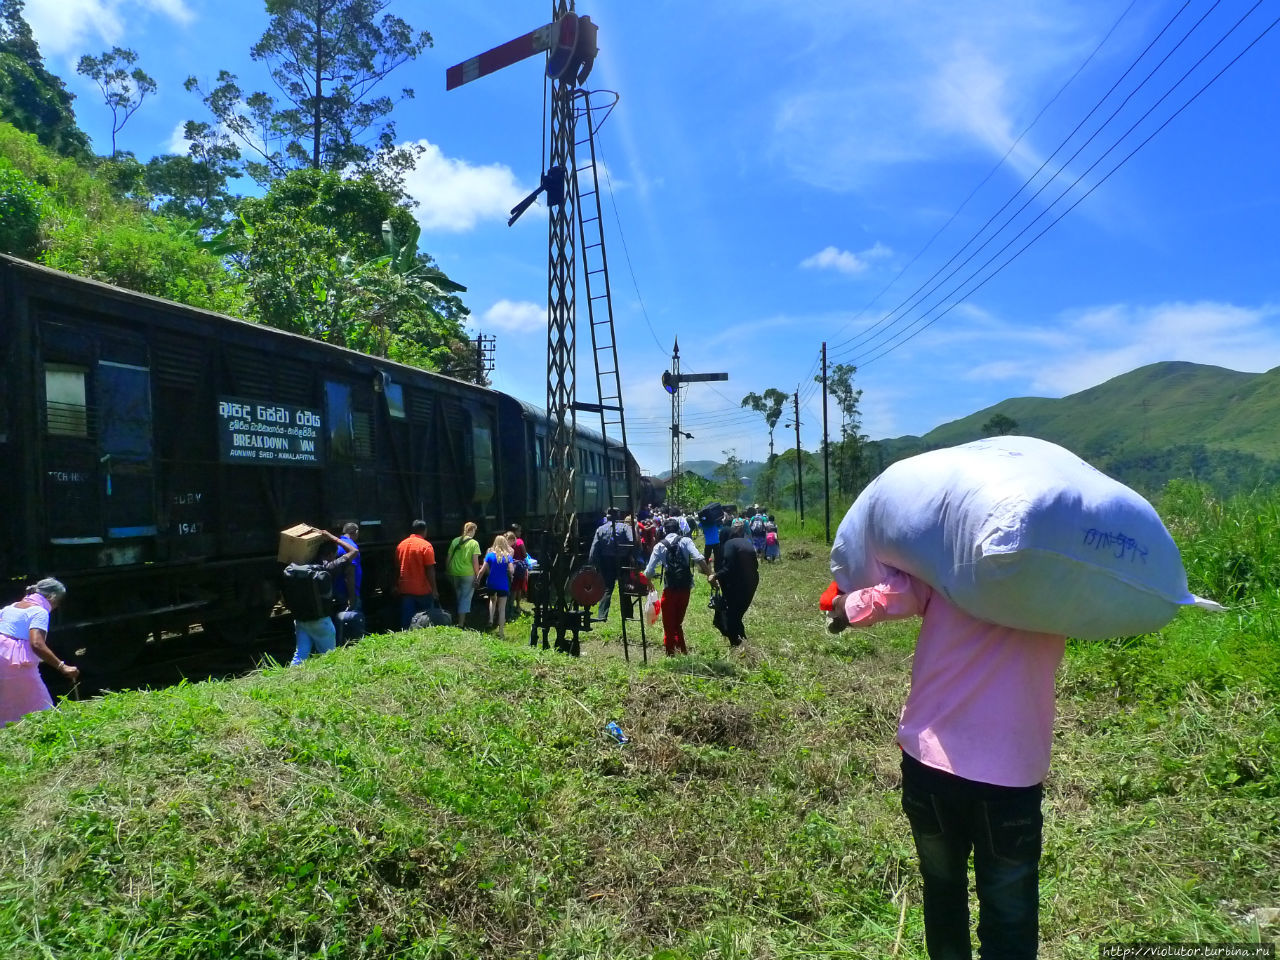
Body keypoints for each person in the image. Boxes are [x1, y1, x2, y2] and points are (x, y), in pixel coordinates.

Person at [826, 570, 1065, 959]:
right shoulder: (1064, 570)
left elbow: (891, 595)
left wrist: (844, 604)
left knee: (942, 891)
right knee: (1011, 913)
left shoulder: (947, 552)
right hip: (1012, 772)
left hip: (931, 763)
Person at [0, 578, 77, 727]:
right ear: (52, 597)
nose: (56, 606)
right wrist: (62, 666)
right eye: (58, 602)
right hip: (15, 662)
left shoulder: (10, 607)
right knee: (42, 705)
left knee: (5, 700)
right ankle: (46, 732)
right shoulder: (39, 612)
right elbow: (37, 644)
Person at [281, 530, 359, 666]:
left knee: (299, 656)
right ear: (330, 554)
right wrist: (333, 538)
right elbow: (353, 551)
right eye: (334, 555)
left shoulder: (299, 567)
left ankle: (292, 682)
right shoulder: (328, 568)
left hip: (301, 620)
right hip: (321, 621)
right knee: (330, 659)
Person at [643, 518, 709, 655]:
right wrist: (710, 575)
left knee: (668, 623)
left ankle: (671, 651)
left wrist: (649, 583)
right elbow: (698, 558)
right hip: (685, 587)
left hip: (670, 588)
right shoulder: (686, 541)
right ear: (678, 529)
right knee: (678, 621)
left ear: (664, 530)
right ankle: (682, 649)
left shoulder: (659, 546)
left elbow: (649, 571)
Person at [710, 518, 759, 647]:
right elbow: (754, 565)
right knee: (736, 615)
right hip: (752, 581)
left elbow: (728, 567)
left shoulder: (729, 545)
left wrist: (715, 576)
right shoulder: (744, 542)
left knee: (731, 617)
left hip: (739, 585)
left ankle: (738, 645)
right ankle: (742, 643)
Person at [588, 508, 636, 622]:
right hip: (622, 560)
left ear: (607, 516)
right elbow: (631, 541)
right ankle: (627, 615)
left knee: (607, 588)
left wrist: (592, 564)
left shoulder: (600, 529)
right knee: (624, 588)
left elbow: (594, 548)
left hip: (606, 561)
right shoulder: (625, 527)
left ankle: (602, 615)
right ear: (618, 515)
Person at [396, 520, 438, 628]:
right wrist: (434, 589)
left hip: (405, 588)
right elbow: (430, 569)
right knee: (426, 617)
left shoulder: (401, 545)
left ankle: (405, 636)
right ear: (424, 531)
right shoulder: (426, 546)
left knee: (407, 617)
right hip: (422, 589)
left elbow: (397, 566)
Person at [476, 535, 516, 640]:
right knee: (502, 609)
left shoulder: (490, 555)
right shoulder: (508, 556)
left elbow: (482, 570)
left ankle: (490, 619)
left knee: (492, 601)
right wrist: (510, 574)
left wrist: (478, 580)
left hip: (492, 583)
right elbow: (511, 570)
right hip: (503, 584)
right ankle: (501, 632)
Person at [446, 521, 483, 628]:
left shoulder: (455, 541)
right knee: (465, 598)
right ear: (471, 530)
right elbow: (475, 561)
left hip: (453, 572)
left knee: (459, 595)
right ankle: (461, 623)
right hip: (467, 573)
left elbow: (448, 558)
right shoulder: (474, 543)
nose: (475, 532)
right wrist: (477, 575)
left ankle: (458, 617)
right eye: (475, 530)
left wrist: (448, 570)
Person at [332, 521, 362, 611]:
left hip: (338, 588)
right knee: (353, 616)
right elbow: (350, 574)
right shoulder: (352, 547)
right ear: (356, 532)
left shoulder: (339, 544)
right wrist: (352, 596)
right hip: (347, 591)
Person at [506, 528, 529, 617]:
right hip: (518, 568)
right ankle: (516, 606)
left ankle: (512, 607)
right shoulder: (519, 541)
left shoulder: (505, 543)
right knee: (517, 588)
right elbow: (524, 554)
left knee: (512, 588)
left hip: (510, 568)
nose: (520, 532)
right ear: (515, 532)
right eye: (519, 531)